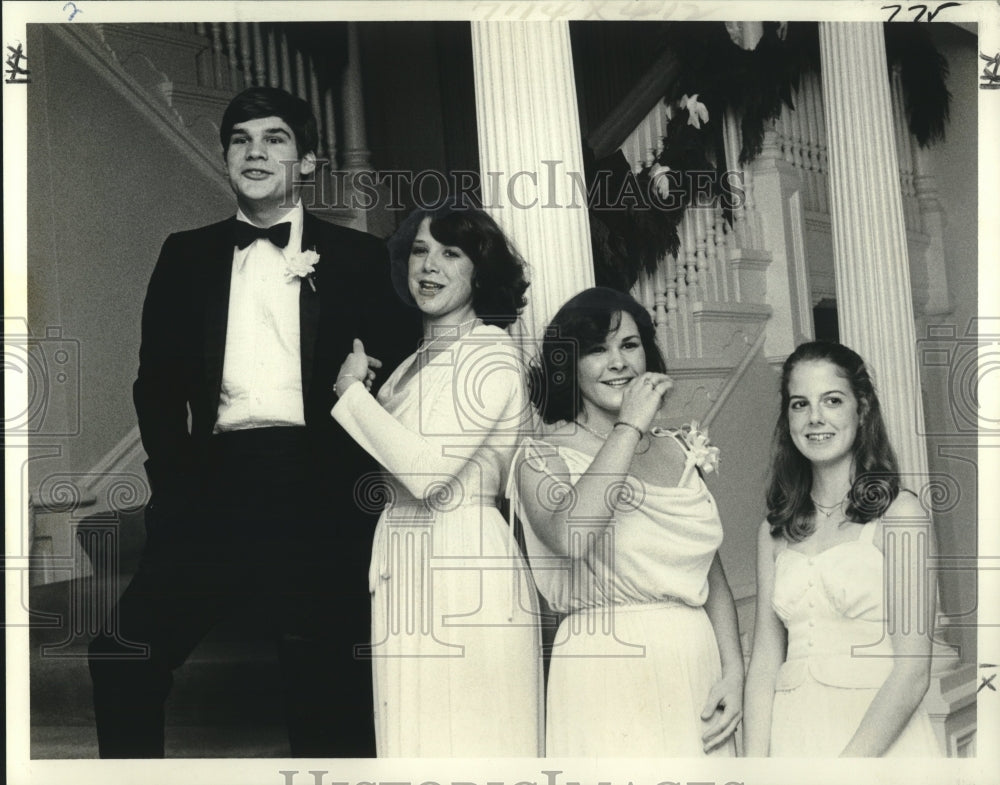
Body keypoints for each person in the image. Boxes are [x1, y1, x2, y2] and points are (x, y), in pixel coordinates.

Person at [87, 86, 419, 758]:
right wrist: (175, 490)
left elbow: (406, 373)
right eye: (240, 139)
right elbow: (155, 386)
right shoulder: (185, 255)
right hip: (212, 486)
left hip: (319, 488)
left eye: (274, 138)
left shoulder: (359, 258)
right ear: (226, 157)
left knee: (325, 684)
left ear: (307, 161)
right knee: (123, 653)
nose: (255, 151)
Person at [330, 203, 542, 756]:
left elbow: (429, 476)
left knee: (474, 741)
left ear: (480, 271)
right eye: (420, 251)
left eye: (452, 253)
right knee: (413, 738)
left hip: (465, 559)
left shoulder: (492, 353)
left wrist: (352, 394)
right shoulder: (405, 367)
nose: (430, 266)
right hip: (404, 562)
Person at [513, 286, 743, 757]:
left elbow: (710, 573)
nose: (618, 362)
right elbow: (570, 536)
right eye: (597, 350)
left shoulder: (680, 447)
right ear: (569, 366)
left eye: (629, 345)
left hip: (693, 660)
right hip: (603, 666)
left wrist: (735, 670)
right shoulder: (541, 456)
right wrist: (630, 426)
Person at [743, 341, 941, 756]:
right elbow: (764, 663)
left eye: (832, 400)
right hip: (793, 737)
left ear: (861, 408)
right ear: (788, 417)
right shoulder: (774, 531)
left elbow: (912, 673)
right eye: (800, 404)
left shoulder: (900, 513)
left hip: (877, 746)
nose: (815, 418)